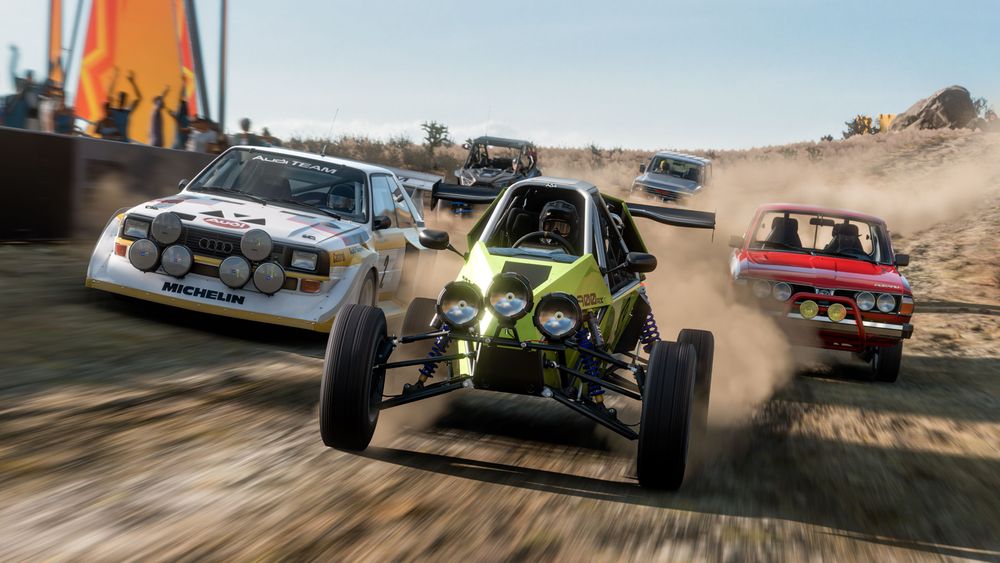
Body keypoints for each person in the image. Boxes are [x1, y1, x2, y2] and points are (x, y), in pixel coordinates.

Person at [8, 45, 40, 130]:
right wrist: (15, 55)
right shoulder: (21, 83)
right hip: (16, 111)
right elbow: (11, 70)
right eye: (28, 77)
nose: (29, 79)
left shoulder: (35, 88)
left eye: (30, 77)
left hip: (30, 117)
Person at [106, 68, 142, 142]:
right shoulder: (113, 111)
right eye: (120, 98)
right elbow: (109, 96)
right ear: (117, 100)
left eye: (123, 99)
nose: (121, 100)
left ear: (125, 101)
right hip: (113, 141)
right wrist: (114, 78)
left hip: (124, 141)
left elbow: (138, 98)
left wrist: (132, 82)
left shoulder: (127, 111)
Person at [170, 75, 191, 149]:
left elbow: (180, 98)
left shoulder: (184, 118)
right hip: (179, 143)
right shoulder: (183, 117)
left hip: (180, 143)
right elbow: (180, 99)